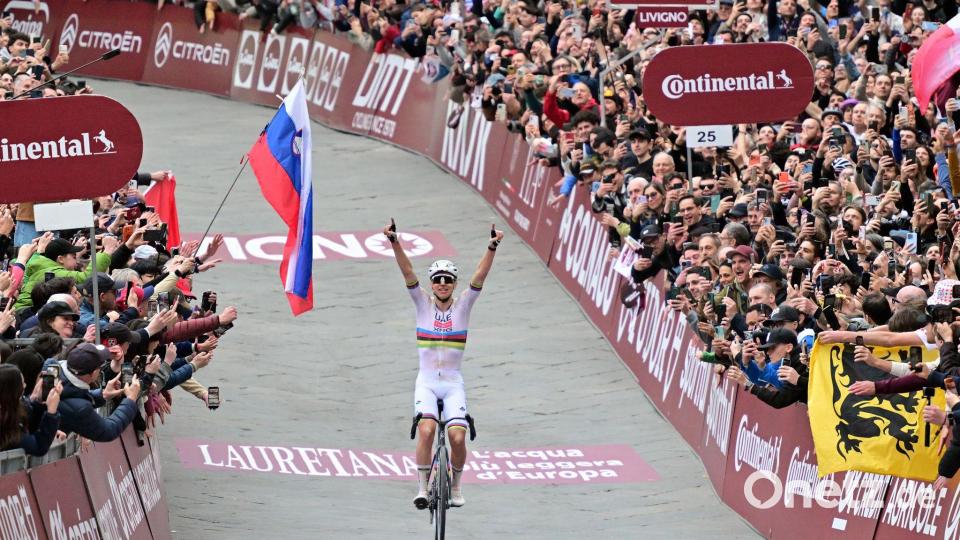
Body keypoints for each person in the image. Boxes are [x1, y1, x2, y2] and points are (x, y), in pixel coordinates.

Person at [384, 219, 503, 509]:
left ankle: (457, 485)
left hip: (451, 383)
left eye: (447, 280)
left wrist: (492, 246)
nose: (441, 284)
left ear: (454, 284)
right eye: (437, 279)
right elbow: (408, 271)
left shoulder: (463, 305)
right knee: (425, 430)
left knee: (457, 437)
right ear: (431, 284)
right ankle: (423, 487)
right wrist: (395, 242)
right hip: (426, 381)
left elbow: (480, 276)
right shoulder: (422, 303)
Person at [52, 343, 141, 442]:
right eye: (101, 366)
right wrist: (130, 400)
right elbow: (107, 431)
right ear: (94, 373)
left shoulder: (52, 366)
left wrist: (103, 394)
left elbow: (69, 395)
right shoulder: (81, 409)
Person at [0, 363, 61, 456]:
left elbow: (28, 425)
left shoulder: (7, 411)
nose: (25, 385)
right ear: (12, 392)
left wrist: (37, 402)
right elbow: (38, 447)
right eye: (22, 383)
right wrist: (51, 413)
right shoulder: (8, 430)